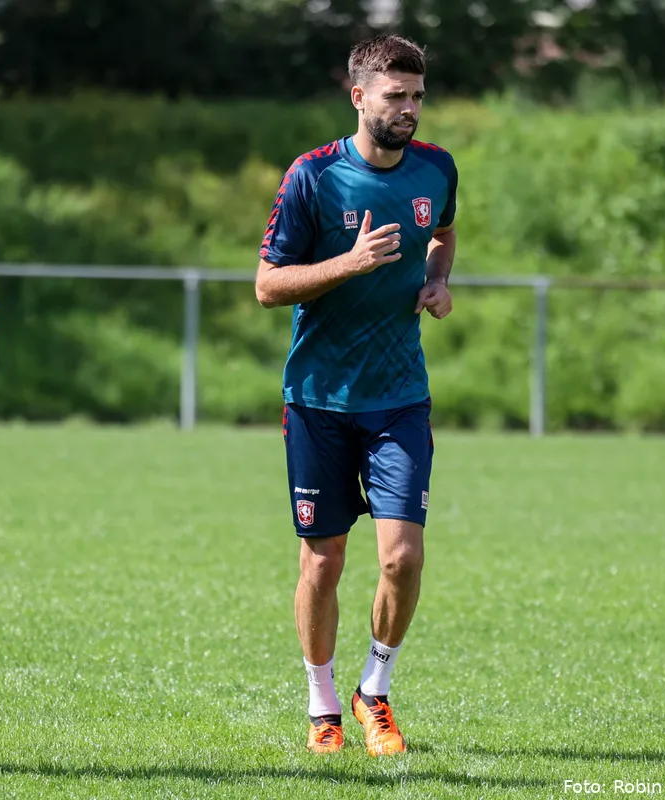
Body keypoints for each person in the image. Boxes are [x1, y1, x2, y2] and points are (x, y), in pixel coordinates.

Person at [254, 34, 458, 756]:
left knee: (402, 557)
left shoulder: (437, 168)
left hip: (400, 396)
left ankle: (376, 690)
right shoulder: (313, 177)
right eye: (395, 95)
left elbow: (444, 232)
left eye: (417, 95)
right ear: (358, 96)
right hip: (318, 400)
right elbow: (267, 285)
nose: (408, 108)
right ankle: (323, 707)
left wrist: (436, 279)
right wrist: (348, 263)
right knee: (324, 562)